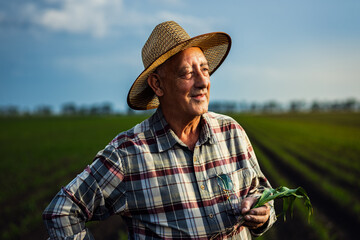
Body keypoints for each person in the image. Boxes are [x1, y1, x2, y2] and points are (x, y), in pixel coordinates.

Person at [43, 21, 276, 239]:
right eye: (187, 73)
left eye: (204, 70)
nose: (203, 82)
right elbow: (62, 212)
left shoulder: (230, 132)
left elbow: (264, 192)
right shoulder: (128, 154)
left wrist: (263, 211)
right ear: (157, 84)